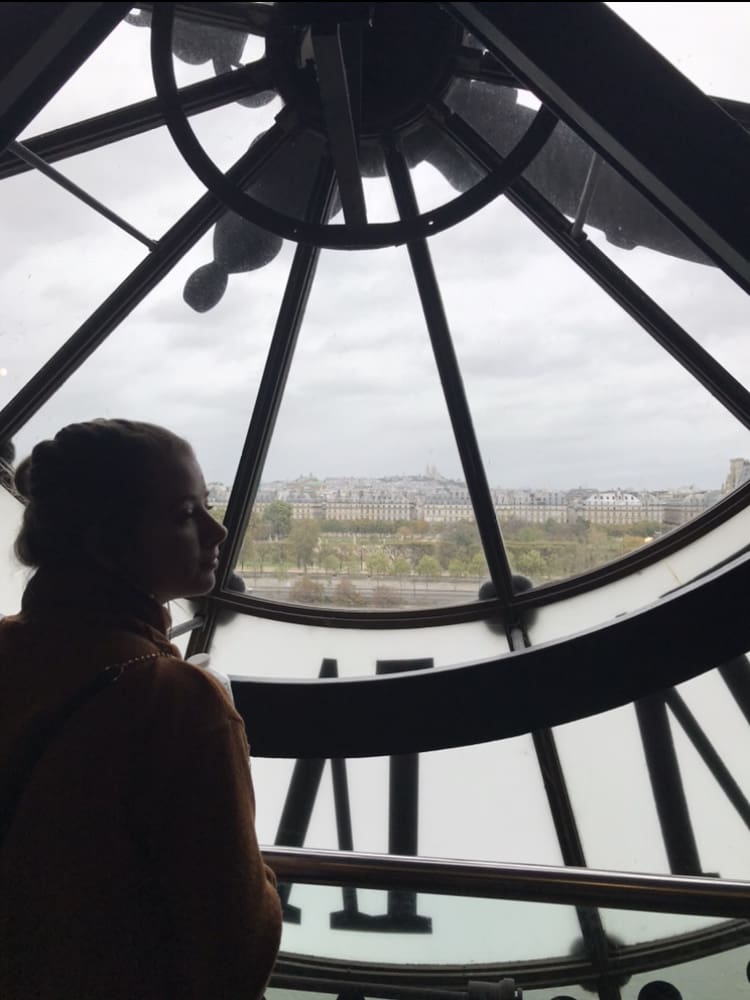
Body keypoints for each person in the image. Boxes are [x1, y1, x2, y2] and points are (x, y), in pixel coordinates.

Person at [0, 419, 282, 999]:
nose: (217, 528)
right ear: (106, 543)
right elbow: (235, 947)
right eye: (184, 513)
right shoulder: (176, 704)